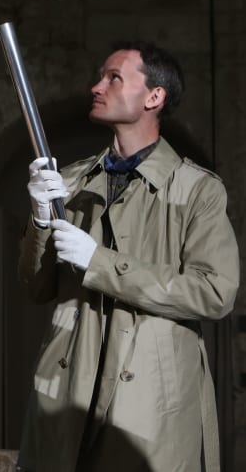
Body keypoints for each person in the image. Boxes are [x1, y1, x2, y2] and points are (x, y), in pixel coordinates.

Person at [17, 43, 239, 472]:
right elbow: (35, 286)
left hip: (150, 399)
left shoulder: (196, 190)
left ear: (153, 97)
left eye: (114, 77)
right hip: (69, 385)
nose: (96, 86)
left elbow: (215, 291)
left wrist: (100, 263)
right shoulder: (72, 181)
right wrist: (40, 219)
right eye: (101, 76)